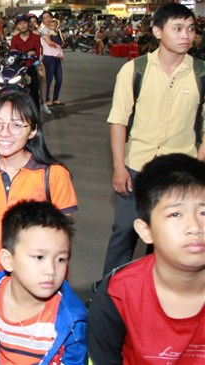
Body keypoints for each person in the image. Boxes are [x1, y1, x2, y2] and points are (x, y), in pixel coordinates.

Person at [101, 3, 204, 277]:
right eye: (178, 29)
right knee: (124, 232)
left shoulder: (201, 73)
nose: (186, 35)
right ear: (158, 31)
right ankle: (110, 290)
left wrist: (196, 169)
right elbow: (118, 120)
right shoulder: (135, 70)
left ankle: (155, 290)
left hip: (178, 172)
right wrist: (119, 167)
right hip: (137, 166)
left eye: (190, 29)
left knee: (167, 237)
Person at [88, 153, 205, 363]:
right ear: (145, 231)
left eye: (204, 213)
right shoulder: (117, 295)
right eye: (175, 214)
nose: (195, 227)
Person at [0, 200, 87, 364]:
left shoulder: (72, 319)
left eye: (61, 259)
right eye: (39, 257)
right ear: (7, 260)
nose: (51, 270)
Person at [0, 92, 78, 276]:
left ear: (32, 130)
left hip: (43, 278)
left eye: (16, 125)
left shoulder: (54, 175)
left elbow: (62, 242)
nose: (4, 132)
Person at [9, 14, 43, 109]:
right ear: (17, 26)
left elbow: (37, 54)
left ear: (28, 24)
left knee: (34, 89)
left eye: (24, 23)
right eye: (20, 24)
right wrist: (28, 53)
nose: (22, 25)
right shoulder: (15, 39)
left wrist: (30, 55)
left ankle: (36, 111)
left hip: (31, 66)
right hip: (18, 68)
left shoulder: (36, 37)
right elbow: (13, 53)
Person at [40, 12, 65, 106]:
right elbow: (50, 43)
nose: (47, 19)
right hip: (48, 57)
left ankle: (55, 98)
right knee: (48, 80)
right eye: (44, 18)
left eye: (48, 17)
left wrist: (59, 44)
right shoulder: (44, 30)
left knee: (59, 79)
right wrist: (57, 44)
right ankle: (46, 99)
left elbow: (61, 42)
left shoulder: (55, 29)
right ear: (42, 20)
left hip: (56, 57)